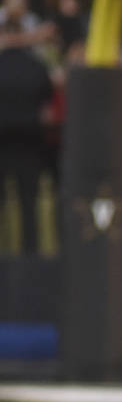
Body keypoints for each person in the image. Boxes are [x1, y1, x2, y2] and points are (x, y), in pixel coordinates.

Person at [0, 18, 54, 256]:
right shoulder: (37, 65)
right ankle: (30, 254)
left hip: (2, 142)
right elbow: (48, 102)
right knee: (28, 203)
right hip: (31, 142)